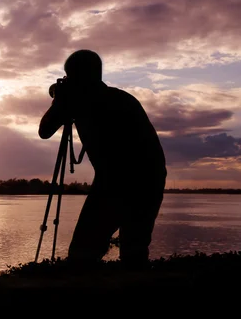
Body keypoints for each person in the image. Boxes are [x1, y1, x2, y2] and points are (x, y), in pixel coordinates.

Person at [39, 49, 167, 269]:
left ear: (76, 75)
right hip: (150, 178)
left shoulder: (79, 101)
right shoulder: (124, 98)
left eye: (70, 76)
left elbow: (45, 130)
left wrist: (59, 101)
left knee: (82, 255)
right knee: (134, 251)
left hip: (115, 181)